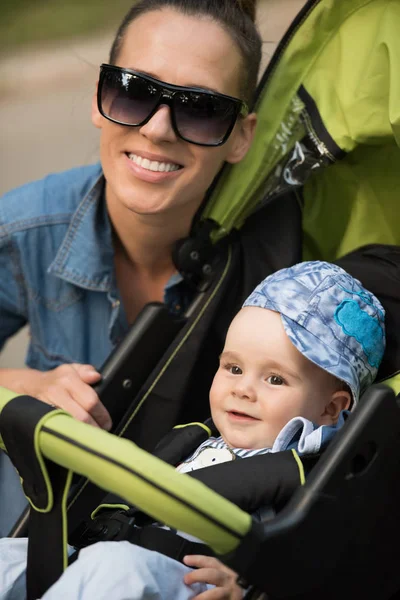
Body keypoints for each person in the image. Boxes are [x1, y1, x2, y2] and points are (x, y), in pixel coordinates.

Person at [0, 0, 272, 535]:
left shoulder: (276, 263)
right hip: (33, 536)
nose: (157, 130)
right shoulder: (26, 226)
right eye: (134, 91)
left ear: (241, 135)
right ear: (99, 98)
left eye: (200, 107)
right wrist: (28, 386)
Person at [0, 260, 386, 599]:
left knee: (114, 566)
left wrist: (247, 585)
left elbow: (306, 562)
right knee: (7, 556)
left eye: (274, 379)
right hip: (99, 552)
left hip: (183, 578)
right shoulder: (196, 439)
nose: (242, 389)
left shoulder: (314, 467)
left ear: (330, 408)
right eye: (233, 368)